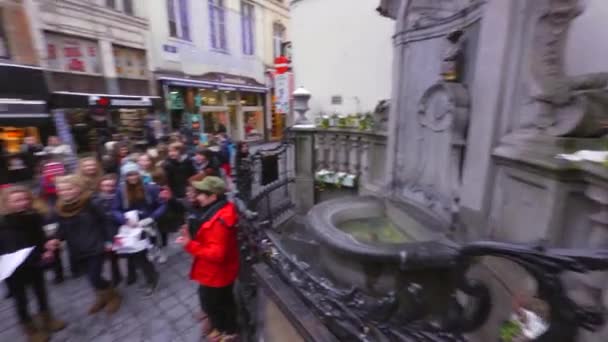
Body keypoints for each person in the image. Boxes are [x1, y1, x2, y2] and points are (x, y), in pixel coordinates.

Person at [176, 176, 239, 341]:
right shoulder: (220, 209)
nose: (198, 197)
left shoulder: (219, 221)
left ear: (213, 196)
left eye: (202, 193)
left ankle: (225, 332)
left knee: (213, 304)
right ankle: (228, 330)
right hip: (219, 272)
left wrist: (190, 244)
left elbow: (216, 254)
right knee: (223, 302)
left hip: (216, 274)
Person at [0, 186, 67, 342]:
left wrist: (47, 247)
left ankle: (47, 319)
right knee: (21, 299)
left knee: (41, 292)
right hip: (13, 269)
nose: (22, 203)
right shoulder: (2, 223)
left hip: (35, 263)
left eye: (25, 199)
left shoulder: (33, 216)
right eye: (17, 200)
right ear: (6, 202)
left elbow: (40, 237)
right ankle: (29, 329)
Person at [48, 175, 122, 315]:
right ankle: (101, 297)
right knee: (89, 277)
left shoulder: (91, 203)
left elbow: (105, 221)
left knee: (94, 276)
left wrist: (109, 241)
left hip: (96, 246)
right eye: (61, 190)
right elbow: (62, 228)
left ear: (79, 188)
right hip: (77, 249)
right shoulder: (60, 207)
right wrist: (55, 239)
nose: (65, 192)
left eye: (69, 188)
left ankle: (113, 296)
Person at [112, 162, 163, 293]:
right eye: (129, 175)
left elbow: (162, 204)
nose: (132, 177)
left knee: (145, 255)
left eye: (134, 174)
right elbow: (115, 209)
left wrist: (152, 217)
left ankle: (152, 279)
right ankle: (152, 278)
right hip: (131, 228)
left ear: (139, 174)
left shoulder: (150, 188)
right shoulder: (120, 191)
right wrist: (124, 219)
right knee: (138, 255)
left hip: (148, 226)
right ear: (125, 176)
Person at [92, 174, 123, 286]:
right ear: (100, 186)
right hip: (108, 233)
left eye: (111, 185)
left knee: (127, 252)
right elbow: (97, 222)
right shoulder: (96, 202)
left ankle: (132, 272)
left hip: (121, 230)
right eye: (105, 185)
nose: (108, 188)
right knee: (113, 257)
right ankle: (117, 276)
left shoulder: (119, 196)